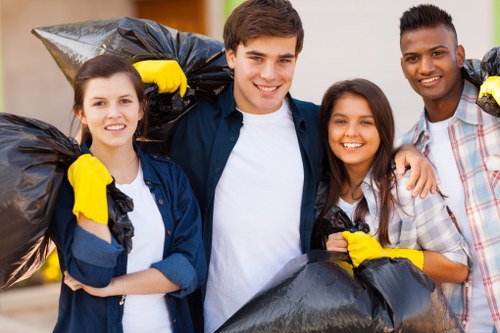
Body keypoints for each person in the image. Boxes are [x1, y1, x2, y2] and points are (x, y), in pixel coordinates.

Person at [133, 1, 437, 331]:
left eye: (284, 60)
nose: (270, 74)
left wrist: (405, 152)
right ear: (231, 56)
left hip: (300, 318)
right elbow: (118, 150)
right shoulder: (193, 123)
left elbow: (360, 146)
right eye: (257, 58)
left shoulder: (314, 124)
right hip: (215, 319)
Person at [49, 54, 206, 333]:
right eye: (99, 103)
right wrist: (91, 188)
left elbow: (190, 267)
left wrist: (115, 287)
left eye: (125, 100)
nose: (114, 113)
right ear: (81, 113)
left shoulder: (170, 178)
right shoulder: (67, 184)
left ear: (141, 109)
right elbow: (91, 273)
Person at [313, 78, 469, 297]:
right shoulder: (315, 192)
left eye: (366, 122)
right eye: (340, 121)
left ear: (382, 129)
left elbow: (458, 266)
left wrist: (385, 256)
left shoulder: (408, 187)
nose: (351, 132)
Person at [398, 4, 500, 333]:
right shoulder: (410, 150)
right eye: (413, 58)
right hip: (463, 324)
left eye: (438, 53)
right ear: (403, 66)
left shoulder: (496, 113)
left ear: (459, 55)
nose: (425, 67)